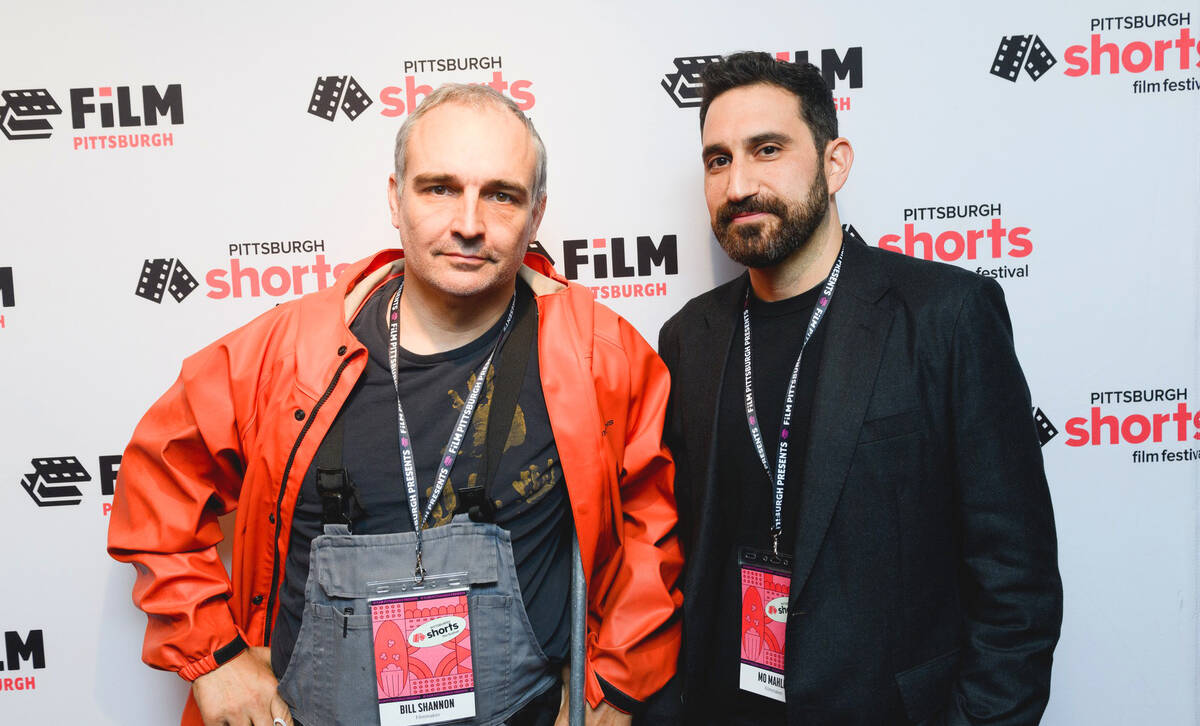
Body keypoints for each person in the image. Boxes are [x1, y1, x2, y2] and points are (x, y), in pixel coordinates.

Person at [108, 83, 682, 726]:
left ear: (537, 213)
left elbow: (650, 530)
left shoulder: (598, 353)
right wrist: (213, 657)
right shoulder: (290, 352)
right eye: (439, 188)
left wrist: (620, 684)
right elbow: (159, 476)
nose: (468, 222)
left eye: (501, 194)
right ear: (394, 197)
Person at [656, 52, 1062, 724]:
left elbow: (1015, 581)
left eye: (768, 149)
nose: (738, 184)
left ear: (835, 161)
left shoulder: (946, 316)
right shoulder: (688, 339)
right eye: (718, 159)